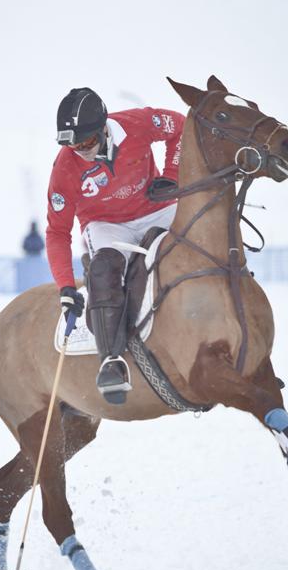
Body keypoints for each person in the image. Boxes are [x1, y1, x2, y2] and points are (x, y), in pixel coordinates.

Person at [46, 87, 185, 405]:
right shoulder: (64, 169)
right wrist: (66, 287)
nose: (79, 151)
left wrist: (172, 175)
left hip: (157, 208)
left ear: (104, 127)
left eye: (86, 143)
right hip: (107, 226)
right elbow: (57, 232)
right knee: (105, 269)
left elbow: (182, 127)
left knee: (203, 226)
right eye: (71, 145)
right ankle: (111, 361)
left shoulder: (139, 123)